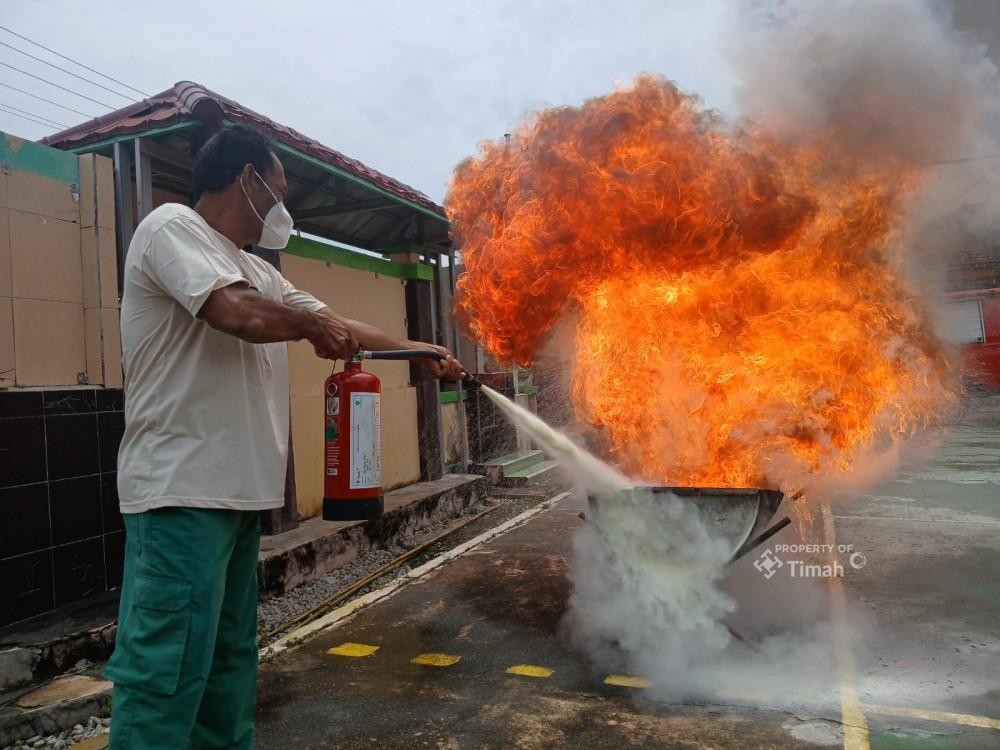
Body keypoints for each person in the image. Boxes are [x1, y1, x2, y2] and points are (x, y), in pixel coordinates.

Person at [104, 124, 465, 749]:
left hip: (239, 498)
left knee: (227, 669)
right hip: (181, 493)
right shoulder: (171, 229)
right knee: (165, 675)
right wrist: (304, 326)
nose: (281, 207)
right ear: (246, 180)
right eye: (277, 189)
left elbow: (337, 322)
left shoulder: (253, 267)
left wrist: (418, 349)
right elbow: (234, 314)